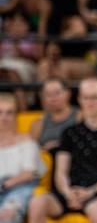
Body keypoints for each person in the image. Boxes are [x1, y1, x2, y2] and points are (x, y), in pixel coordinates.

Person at [28, 76, 97, 223]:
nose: (90, 102)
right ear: (80, 99)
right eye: (86, 98)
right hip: (66, 191)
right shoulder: (70, 132)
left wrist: (90, 192)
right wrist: (68, 193)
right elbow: (61, 171)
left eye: (95, 97)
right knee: (37, 202)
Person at [0, 93, 45, 223]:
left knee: (6, 217)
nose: (4, 117)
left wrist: (4, 185)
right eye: (0, 112)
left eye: (9, 112)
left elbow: (28, 174)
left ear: (16, 115)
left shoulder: (26, 141)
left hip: (18, 188)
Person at [30, 78, 78, 152]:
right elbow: (31, 151)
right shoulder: (38, 123)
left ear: (68, 94)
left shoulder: (80, 117)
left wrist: (59, 145)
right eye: (48, 94)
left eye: (57, 93)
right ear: (43, 98)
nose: (53, 98)